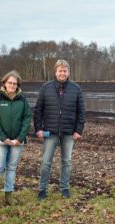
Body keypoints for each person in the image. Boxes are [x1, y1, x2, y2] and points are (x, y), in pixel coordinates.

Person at [34, 59, 85, 200]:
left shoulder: (76, 89)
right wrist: (38, 128)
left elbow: (81, 112)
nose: (62, 73)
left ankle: (64, 188)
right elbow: (38, 109)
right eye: (60, 70)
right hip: (50, 131)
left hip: (69, 132)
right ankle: (42, 189)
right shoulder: (46, 88)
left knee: (66, 162)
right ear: (55, 72)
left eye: (65, 70)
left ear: (68, 72)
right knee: (46, 162)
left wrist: (78, 131)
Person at [0, 70, 31, 206]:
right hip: (0, 141)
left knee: (11, 168)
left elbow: (27, 120)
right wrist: (4, 138)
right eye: (10, 82)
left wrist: (20, 138)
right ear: (4, 83)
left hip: (17, 141)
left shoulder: (23, 101)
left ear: (18, 85)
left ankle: (9, 195)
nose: (12, 85)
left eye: (15, 83)